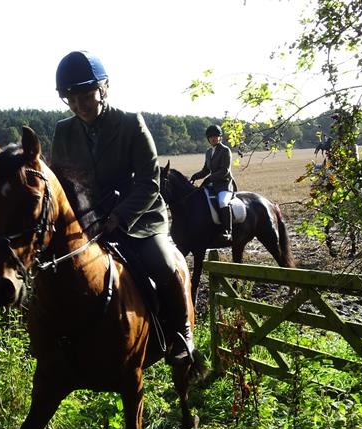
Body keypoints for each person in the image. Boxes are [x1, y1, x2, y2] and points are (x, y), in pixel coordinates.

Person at [49, 50, 193, 366]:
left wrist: (120, 216)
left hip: (139, 217)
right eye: (72, 100)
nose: (79, 105)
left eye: (86, 96)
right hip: (88, 221)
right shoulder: (64, 131)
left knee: (162, 263)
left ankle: (181, 333)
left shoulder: (131, 124)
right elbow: (60, 183)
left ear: (104, 89)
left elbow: (149, 182)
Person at [190, 124, 236, 242]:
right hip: (213, 185)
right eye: (210, 137)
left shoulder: (225, 150)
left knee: (222, 202)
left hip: (225, 184)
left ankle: (228, 231)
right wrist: (196, 176)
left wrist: (210, 178)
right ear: (208, 139)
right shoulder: (209, 152)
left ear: (220, 137)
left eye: (215, 136)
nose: (213, 138)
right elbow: (206, 170)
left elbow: (225, 171)